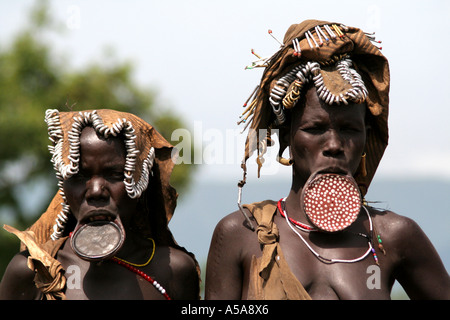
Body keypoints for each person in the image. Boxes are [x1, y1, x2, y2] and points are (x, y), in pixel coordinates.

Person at [205, 20, 450, 300]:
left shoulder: (391, 236)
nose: (334, 145)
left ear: (366, 138)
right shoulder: (242, 233)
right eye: (315, 129)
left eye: (349, 130)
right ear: (286, 137)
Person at [0, 109, 200, 300]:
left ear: (140, 181)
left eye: (115, 175)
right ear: (64, 185)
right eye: (78, 177)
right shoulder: (32, 271)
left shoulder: (174, 270)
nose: (96, 191)